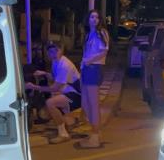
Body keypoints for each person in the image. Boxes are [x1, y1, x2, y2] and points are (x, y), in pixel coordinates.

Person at [25, 42, 81, 144]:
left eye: (56, 50)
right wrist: (45, 73)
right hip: (68, 92)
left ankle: (63, 134)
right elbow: (56, 78)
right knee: (46, 112)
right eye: (50, 51)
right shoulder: (56, 61)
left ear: (61, 50)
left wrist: (34, 87)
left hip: (76, 95)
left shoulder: (64, 65)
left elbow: (55, 88)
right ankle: (69, 122)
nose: (53, 53)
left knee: (50, 103)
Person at [75, 9, 110, 149]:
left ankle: (95, 136)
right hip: (86, 69)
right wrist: (83, 65)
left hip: (94, 68)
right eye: (92, 17)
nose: (94, 19)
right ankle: (95, 132)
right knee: (85, 102)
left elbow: (104, 50)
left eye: (97, 17)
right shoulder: (88, 34)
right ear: (88, 19)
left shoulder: (101, 33)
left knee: (93, 103)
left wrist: (89, 61)